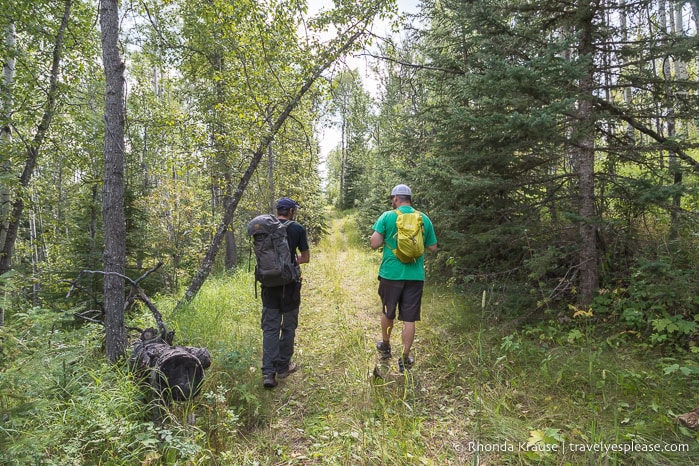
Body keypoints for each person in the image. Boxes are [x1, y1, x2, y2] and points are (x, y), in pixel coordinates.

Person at [370, 184, 438, 372]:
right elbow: (433, 247)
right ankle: (405, 358)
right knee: (409, 318)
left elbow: (374, 244)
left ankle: (385, 346)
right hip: (415, 276)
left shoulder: (387, 216)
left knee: (387, 312)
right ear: (410, 199)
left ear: (396, 199)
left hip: (390, 274)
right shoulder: (423, 219)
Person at [261, 197, 310, 389]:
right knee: (288, 326)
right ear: (290, 211)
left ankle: (268, 373)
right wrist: (289, 263)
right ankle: (283, 367)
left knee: (270, 328)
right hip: (289, 286)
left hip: (268, 285)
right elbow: (305, 258)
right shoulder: (297, 228)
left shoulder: (265, 227)